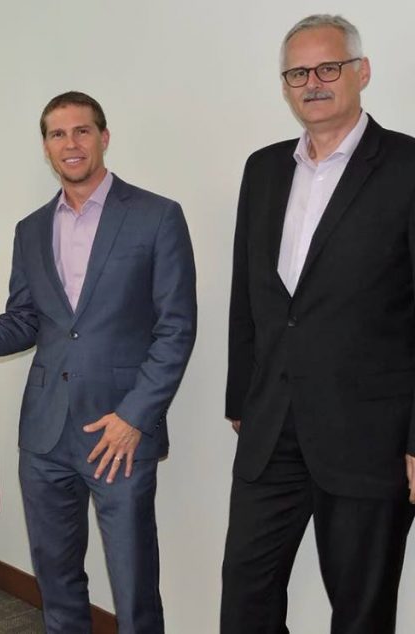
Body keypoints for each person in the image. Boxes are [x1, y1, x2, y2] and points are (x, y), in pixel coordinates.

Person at [0, 91, 196, 633]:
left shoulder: (156, 216)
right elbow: (26, 320)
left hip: (119, 432)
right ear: (46, 148)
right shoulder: (31, 229)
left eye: (81, 131)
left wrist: (135, 418)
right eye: (57, 134)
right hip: (46, 436)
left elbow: (176, 329)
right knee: (56, 580)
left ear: (103, 137)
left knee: (133, 584)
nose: (70, 144)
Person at [222, 14, 415, 633]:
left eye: (327, 68)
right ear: (285, 85)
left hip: (370, 436)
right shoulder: (264, 168)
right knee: (246, 598)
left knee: (360, 614)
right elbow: (247, 295)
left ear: (361, 73)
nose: (313, 83)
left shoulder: (408, 166)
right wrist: (240, 395)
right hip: (271, 426)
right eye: (297, 72)